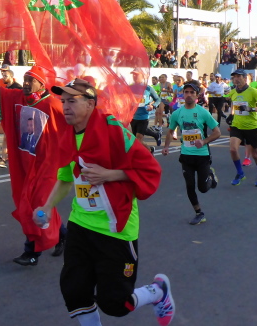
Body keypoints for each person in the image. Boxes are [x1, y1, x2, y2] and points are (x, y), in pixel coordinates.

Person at [35, 79, 174, 326]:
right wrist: (47, 206)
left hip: (115, 228)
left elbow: (150, 170)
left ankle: (157, 292)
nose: (65, 106)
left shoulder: (114, 131)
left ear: (90, 104)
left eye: (72, 101)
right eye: (63, 101)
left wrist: (110, 174)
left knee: (115, 303)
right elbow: (66, 178)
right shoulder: (66, 135)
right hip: (81, 223)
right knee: (74, 291)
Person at [0, 62, 67, 265]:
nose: (26, 83)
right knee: (39, 205)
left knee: (34, 205)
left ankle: (32, 253)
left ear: (41, 84)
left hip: (46, 166)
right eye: (25, 80)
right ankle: (64, 235)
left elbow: (75, 126)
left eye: (31, 81)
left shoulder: (53, 104)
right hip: (24, 164)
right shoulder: (18, 98)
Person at [162, 80, 220, 225]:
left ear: (197, 95)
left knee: (202, 188)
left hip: (202, 155)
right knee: (189, 185)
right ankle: (199, 213)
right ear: (182, 94)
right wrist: (166, 146)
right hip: (186, 155)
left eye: (192, 92)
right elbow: (170, 131)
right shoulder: (177, 113)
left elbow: (217, 132)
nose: (188, 95)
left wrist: (204, 141)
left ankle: (210, 176)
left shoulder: (203, 112)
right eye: (186, 92)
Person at [226, 69, 257, 187]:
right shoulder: (233, 92)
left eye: (238, 77)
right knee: (233, 149)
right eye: (234, 77)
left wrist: (251, 109)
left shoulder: (253, 91)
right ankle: (240, 173)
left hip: (251, 127)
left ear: (245, 79)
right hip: (237, 126)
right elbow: (234, 105)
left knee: (255, 155)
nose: (236, 79)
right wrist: (231, 115)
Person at [0, 66, 22, 168]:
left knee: (9, 138)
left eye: (5, 74)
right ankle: (5, 157)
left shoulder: (18, 87)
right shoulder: (4, 87)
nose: (3, 76)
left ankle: (4, 158)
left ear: (11, 76)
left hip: (16, 118)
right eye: (2, 74)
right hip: (8, 117)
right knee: (7, 137)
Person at [129, 69, 162, 153]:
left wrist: (153, 106)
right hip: (133, 117)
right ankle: (151, 147)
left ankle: (147, 154)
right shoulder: (130, 88)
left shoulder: (148, 88)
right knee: (135, 141)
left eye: (137, 75)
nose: (134, 76)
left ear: (142, 76)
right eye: (133, 75)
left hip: (143, 117)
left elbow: (158, 99)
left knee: (138, 139)